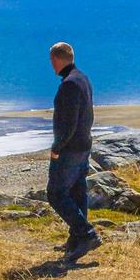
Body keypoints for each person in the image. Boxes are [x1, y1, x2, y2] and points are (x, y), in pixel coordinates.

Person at [46, 42, 101, 263]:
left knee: (56, 194)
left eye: (51, 61)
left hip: (70, 148)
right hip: (83, 144)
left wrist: (57, 148)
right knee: (78, 193)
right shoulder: (83, 78)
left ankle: (86, 234)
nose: (51, 65)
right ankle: (76, 239)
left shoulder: (69, 84)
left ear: (56, 60)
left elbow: (67, 123)